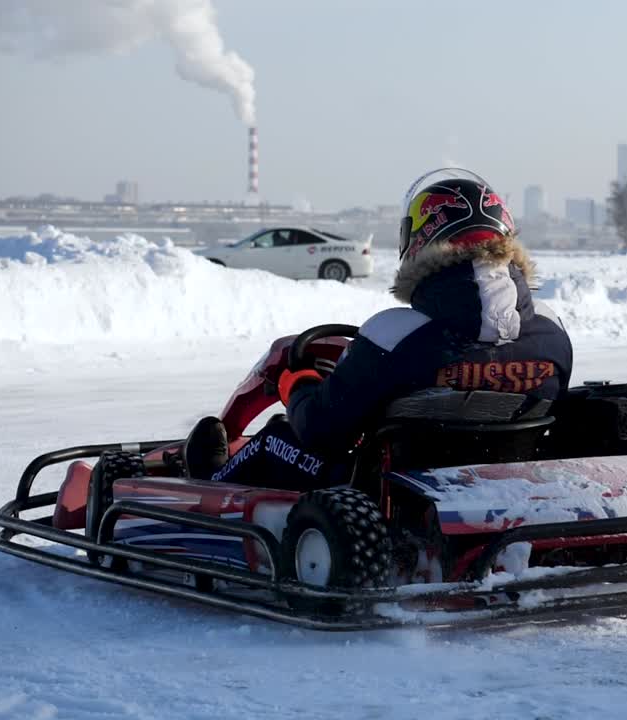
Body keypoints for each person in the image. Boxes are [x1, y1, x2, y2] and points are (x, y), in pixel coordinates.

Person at [181, 171, 573, 490]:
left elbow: (321, 431)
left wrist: (297, 383)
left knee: (277, 439)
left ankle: (205, 483)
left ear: (421, 240)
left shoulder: (393, 335)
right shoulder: (552, 333)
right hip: (508, 486)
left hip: (389, 495)